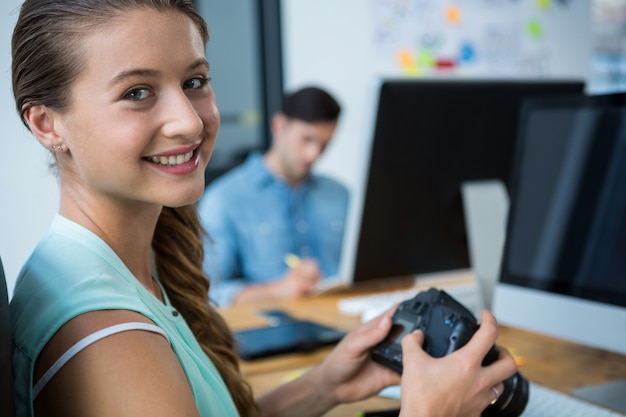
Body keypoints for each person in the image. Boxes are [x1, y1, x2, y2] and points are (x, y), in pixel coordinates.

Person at [8, 0, 518, 416]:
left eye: (194, 82)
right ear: (48, 124)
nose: (189, 122)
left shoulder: (110, 269)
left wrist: (324, 386)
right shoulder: (105, 338)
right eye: (137, 92)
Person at [198, 86, 348, 306]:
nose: (313, 154)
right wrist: (277, 290)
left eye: (324, 144)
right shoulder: (224, 200)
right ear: (279, 125)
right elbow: (207, 293)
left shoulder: (341, 194)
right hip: (270, 333)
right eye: (306, 139)